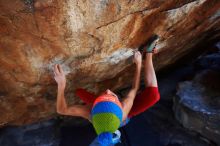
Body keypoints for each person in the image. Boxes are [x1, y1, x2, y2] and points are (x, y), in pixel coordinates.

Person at [53, 36, 160, 145]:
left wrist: (61, 85)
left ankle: (101, 99)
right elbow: (134, 88)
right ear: (119, 103)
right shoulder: (123, 111)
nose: (108, 90)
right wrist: (138, 64)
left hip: (102, 108)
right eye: (112, 96)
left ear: (94, 106)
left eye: (105, 95)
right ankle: (149, 53)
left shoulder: (89, 112)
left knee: (79, 92)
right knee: (154, 96)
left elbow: (62, 110)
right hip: (119, 115)